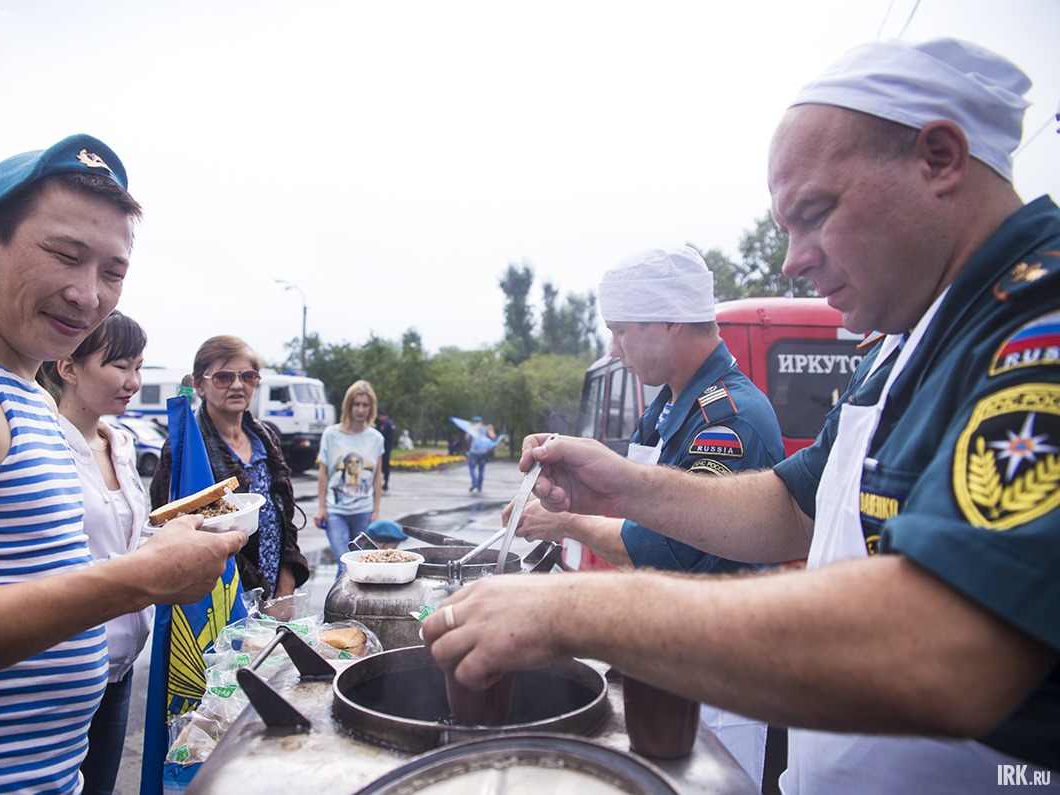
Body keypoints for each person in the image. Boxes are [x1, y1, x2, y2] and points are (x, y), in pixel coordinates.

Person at [425, 39, 1060, 793]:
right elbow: (793, 503)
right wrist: (623, 485)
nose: (792, 259)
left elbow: (950, 644)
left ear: (940, 157)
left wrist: (568, 608)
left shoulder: (1035, 325)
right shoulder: (899, 344)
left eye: (815, 213)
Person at [0, 134, 245, 794]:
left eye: (113, 272)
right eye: (65, 256)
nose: (88, 295)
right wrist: (137, 581)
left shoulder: (24, 393)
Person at [509, 247, 785, 786]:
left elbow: (668, 549)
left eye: (621, 331)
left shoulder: (728, 421)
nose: (614, 349)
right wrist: (576, 487)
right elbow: (640, 500)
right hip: (671, 655)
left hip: (719, 681)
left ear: (670, 321)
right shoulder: (666, 408)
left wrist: (563, 523)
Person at [37, 310, 154, 795]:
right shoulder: (42, 444)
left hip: (121, 666)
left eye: (138, 366)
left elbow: (134, 536)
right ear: (68, 366)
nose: (133, 382)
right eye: (119, 366)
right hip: (63, 669)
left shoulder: (121, 443)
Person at [150, 336, 310, 603]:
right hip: (216, 594)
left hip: (275, 588)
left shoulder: (266, 438)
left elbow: (283, 517)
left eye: (248, 376)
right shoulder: (186, 447)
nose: (237, 385)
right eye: (224, 377)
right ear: (200, 385)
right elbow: (170, 528)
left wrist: (287, 576)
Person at [316, 379, 384, 575]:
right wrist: (321, 507)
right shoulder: (331, 434)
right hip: (336, 511)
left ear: (371, 408)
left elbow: (377, 477)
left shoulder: (376, 438)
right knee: (344, 564)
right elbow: (323, 473)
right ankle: (336, 606)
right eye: (357, 404)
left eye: (365, 405)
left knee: (362, 564)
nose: (360, 410)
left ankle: (356, 605)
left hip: (363, 511)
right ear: (348, 405)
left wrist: (376, 510)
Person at [466, 416, 497, 492]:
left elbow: (467, 437)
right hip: (483, 451)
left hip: (474, 451)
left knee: (471, 467)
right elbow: (493, 437)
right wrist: (490, 430)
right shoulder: (485, 428)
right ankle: (479, 487)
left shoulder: (472, 428)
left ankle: (475, 482)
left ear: (474, 421)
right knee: (481, 469)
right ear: (481, 422)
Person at [376, 407, 398, 492]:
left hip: (384, 447)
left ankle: (383, 483)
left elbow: (383, 435)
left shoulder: (386, 424)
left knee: (382, 466)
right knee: (385, 466)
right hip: (388, 447)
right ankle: (385, 482)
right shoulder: (391, 423)